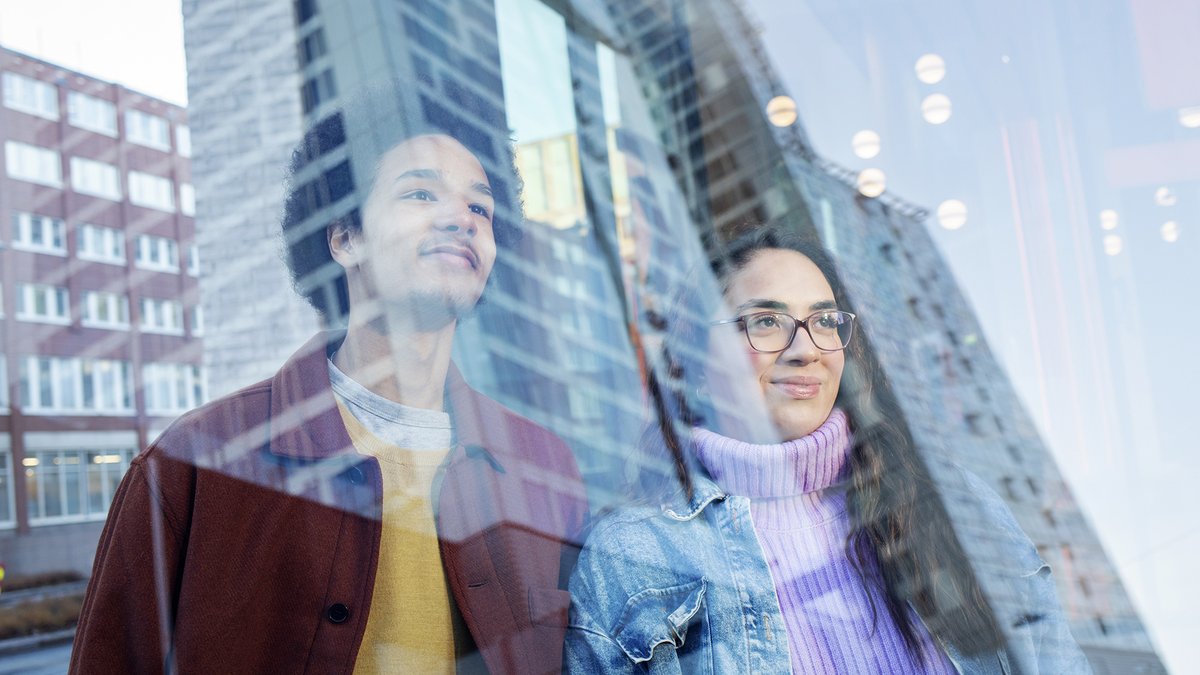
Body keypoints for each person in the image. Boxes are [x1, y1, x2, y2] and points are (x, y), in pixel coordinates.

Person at [71, 82, 587, 674]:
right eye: (421, 192)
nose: (461, 219)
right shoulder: (196, 462)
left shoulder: (547, 470)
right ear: (345, 239)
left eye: (480, 207)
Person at [565, 226, 1089, 673]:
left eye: (824, 321)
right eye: (765, 321)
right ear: (696, 356)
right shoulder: (637, 556)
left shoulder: (947, 500)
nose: (805, 350)